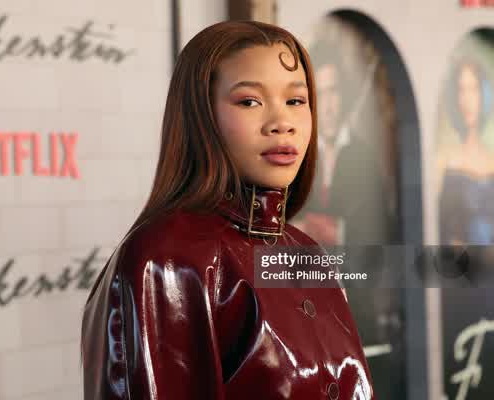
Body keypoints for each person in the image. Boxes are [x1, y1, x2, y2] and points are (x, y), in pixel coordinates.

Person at [81, 20, 374, 399]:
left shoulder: (307, 253)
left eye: (296, 101)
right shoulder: (165, 260)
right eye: (249, 101)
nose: (282, 123)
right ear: (201, 115)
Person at [294, 40, 391, 247]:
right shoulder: (296, 155)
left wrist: (317, 229)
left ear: (343, 95)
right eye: (319, 94)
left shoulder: (365, 159)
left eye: (333, 92)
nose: (327, 107)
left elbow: (378, 234)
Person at [438, 58, 494, 246]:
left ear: (484, 95)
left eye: (473, 89)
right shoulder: (444, 161)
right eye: (461, 90)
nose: (467, 100)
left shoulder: (491, 159)